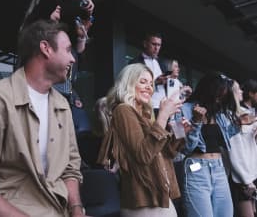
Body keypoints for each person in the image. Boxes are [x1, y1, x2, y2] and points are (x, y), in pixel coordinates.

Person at [0, 20, 85, 217]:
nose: (72, 59)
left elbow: (71, 167)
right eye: (67, 50)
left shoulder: (62, 105)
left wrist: (76, 209)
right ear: (45, 48)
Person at [97, 63, 189, 217]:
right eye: (143, 81)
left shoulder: (145, 117)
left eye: (151, 84)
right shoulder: (123, 110)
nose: (149, 87)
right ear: (129, 83)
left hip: (159, 196)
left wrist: (180, 131)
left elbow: (166, 154)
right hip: (143, 201)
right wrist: (163, 115)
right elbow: (143, 154)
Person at [19, 0, 94, 134]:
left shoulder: (57, 36)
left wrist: (82, 36)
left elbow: (75, 64)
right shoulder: (34, 29)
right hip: (36, 95)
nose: (59, 7)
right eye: (55, 6)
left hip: (63, 97)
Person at [181, 73, 240, 217]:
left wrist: (242, 123)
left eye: (222, 97)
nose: (219, 100)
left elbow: (228, 134)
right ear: (209, 92)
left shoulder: (218, 113)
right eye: (218, 95)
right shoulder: (184, 109)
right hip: (196, 168)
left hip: (219, 169)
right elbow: (185, 148)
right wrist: (196, 121)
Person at [227, 80, 257, 217]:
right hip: (242, 179)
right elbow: (235, 152)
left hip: (252, 174)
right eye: (238, 89)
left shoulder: (245, 113)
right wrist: (246, 180)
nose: (241, 91)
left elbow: (251, 146)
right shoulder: (230, 117)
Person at [129, 32, 167, 117]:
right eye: (154, 44)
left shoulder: (162, 63)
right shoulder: (135, 62)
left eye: (159, 45)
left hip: (162, 106)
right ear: (145, 44)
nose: (156, 48)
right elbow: (132, 84)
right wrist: (155, 82)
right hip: (146, 106)